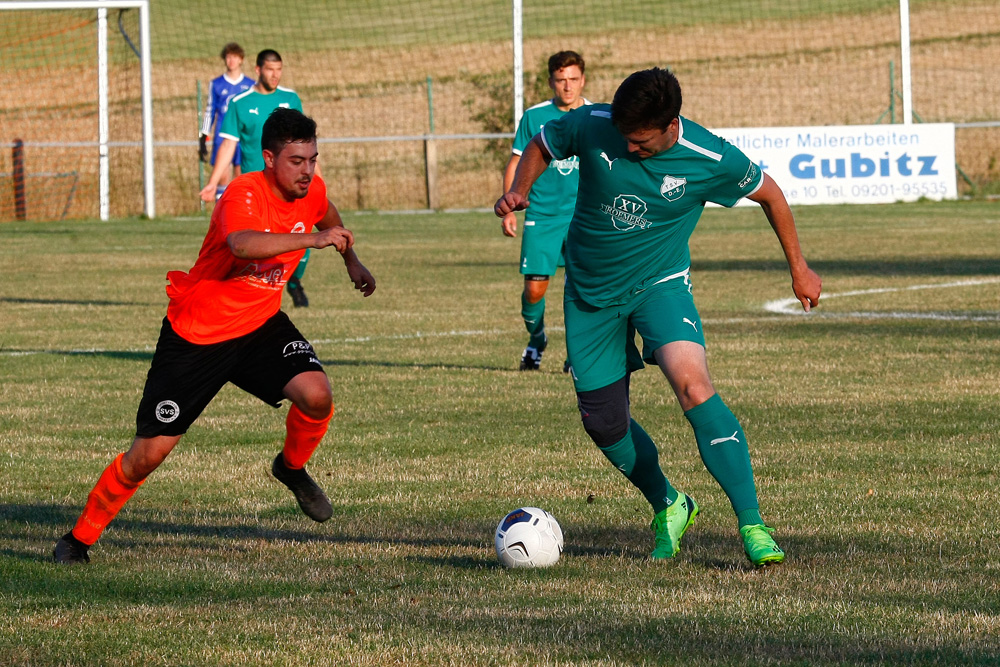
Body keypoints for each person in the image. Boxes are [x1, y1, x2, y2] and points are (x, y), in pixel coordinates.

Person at [494, 68, 822, 567]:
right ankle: (671, 504)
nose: (630, 150)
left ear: (672, 125)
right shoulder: (593, 123)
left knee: (692, 384)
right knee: (604, 424)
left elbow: (771, 195)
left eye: (642, 143)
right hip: (589, 293)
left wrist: (799, 268)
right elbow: (542, 144)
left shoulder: (710, 157)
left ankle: (753, 524)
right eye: (624, 141)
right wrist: (520, 187)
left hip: (659, 284)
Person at [54, 109, 376, 565]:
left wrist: (351, 260)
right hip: (198, 334)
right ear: (268, 158)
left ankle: (290, 468)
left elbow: (327, 213)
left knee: (317, 396)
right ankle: (78, 539)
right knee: (147, 456)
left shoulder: (313, 190)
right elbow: (242, 244)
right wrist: (311, 242)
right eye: (296, 161)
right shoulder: (243, 193)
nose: (307, 171)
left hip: (260, 324)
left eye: (313, 159)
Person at [200, 49, 314, 309]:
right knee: (254, 249)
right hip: (257, 191)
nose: (275, 75)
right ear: (258, 70)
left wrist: (317, 179)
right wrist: (213, 181)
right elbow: (228, 145)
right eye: (270, 70)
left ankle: (294, 281)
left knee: (301, 245)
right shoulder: (240, 103)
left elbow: (305, 146)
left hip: (289, 190)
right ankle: (250, 302)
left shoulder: (291, 99)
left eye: (279, 70)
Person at [501, 51, 590, 371]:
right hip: (543, 216)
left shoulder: (597, 115)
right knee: (534, 291)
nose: (568, 86)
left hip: (585, 217)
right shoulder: (534, 117)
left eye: (573, 79)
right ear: (551, 82)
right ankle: (537, 338)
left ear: (583, 80)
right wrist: (510, 206)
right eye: (561, 80)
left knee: (583, 292)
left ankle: (577, 356)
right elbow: (515, 163)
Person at [199, 42, 254, 201]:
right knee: (222, 177)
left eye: (235, 57)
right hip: (222, 136)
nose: (231, 60)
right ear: (225, 59)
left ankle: (242, 216)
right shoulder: (216, 84)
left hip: (243, 136)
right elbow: (210, 109)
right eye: (229, 57)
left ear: (241, 59)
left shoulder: (250, 84)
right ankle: (221, 216)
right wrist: (203, 135)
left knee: (241, 177)